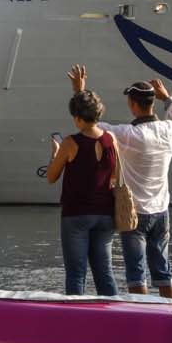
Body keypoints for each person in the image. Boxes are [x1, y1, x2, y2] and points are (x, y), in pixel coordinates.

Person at [77, 68, 172, 298]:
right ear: (152, 101)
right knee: (163, 271)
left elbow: (93, 126)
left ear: (132, 104)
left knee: (136, 273)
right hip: (161, 211)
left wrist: (80, 92)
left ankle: (141, 318)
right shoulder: (169, 131)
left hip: (134, 213)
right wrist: (167, 98)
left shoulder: (129, 135)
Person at [46, 86, 118, 296]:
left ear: (77, 118)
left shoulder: (70, 143)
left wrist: (55, 153)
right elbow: (115, 175)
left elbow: (51, 176)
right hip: (105, 214)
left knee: (76, 274)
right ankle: (116, 316)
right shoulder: (111, 140)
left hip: (76, 214)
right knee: (105, 273)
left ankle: (75, 320)